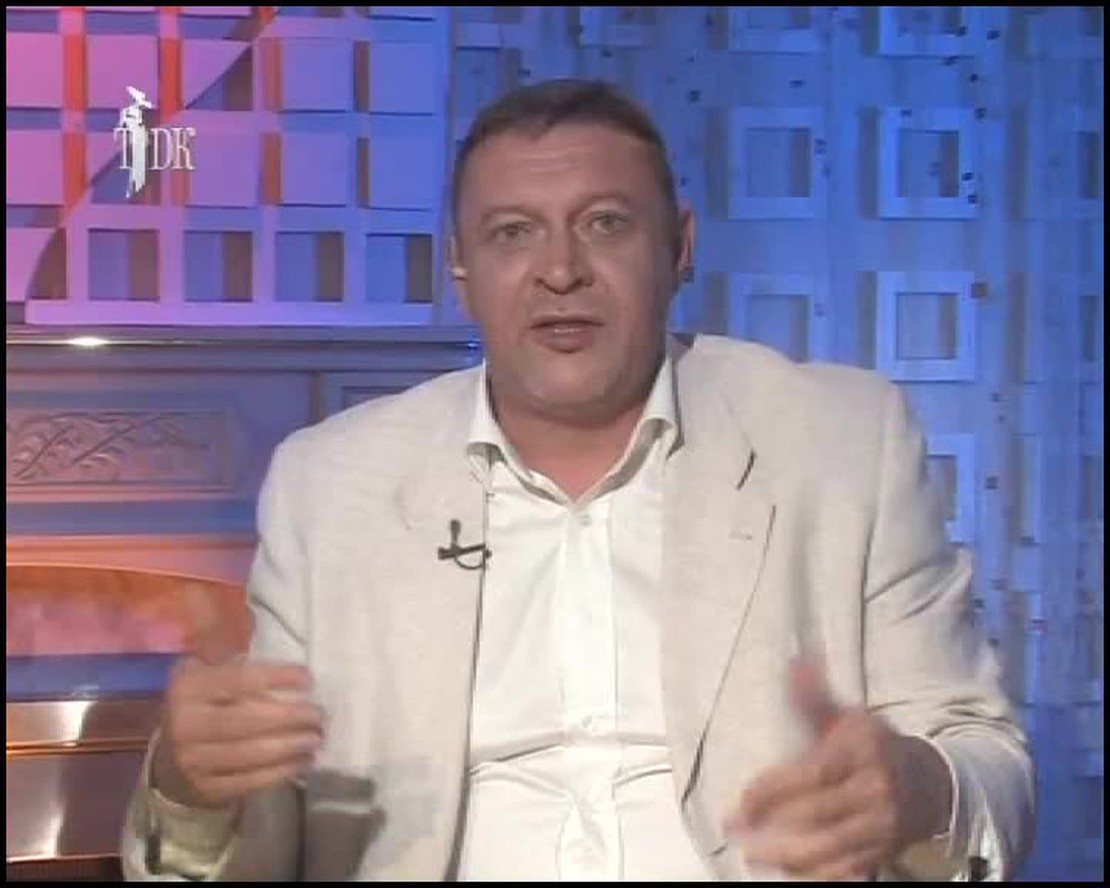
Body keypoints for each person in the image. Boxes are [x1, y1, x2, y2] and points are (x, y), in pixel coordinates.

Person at [121, 78, 1034, 881]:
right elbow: (257, 844)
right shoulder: (332, 485)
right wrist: (192, 789)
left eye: (606, 224)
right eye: (514, 233)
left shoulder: (840, 443)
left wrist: (921, 789)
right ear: (461, 268)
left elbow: (988, 762)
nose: (561, 271)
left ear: (679, 247)